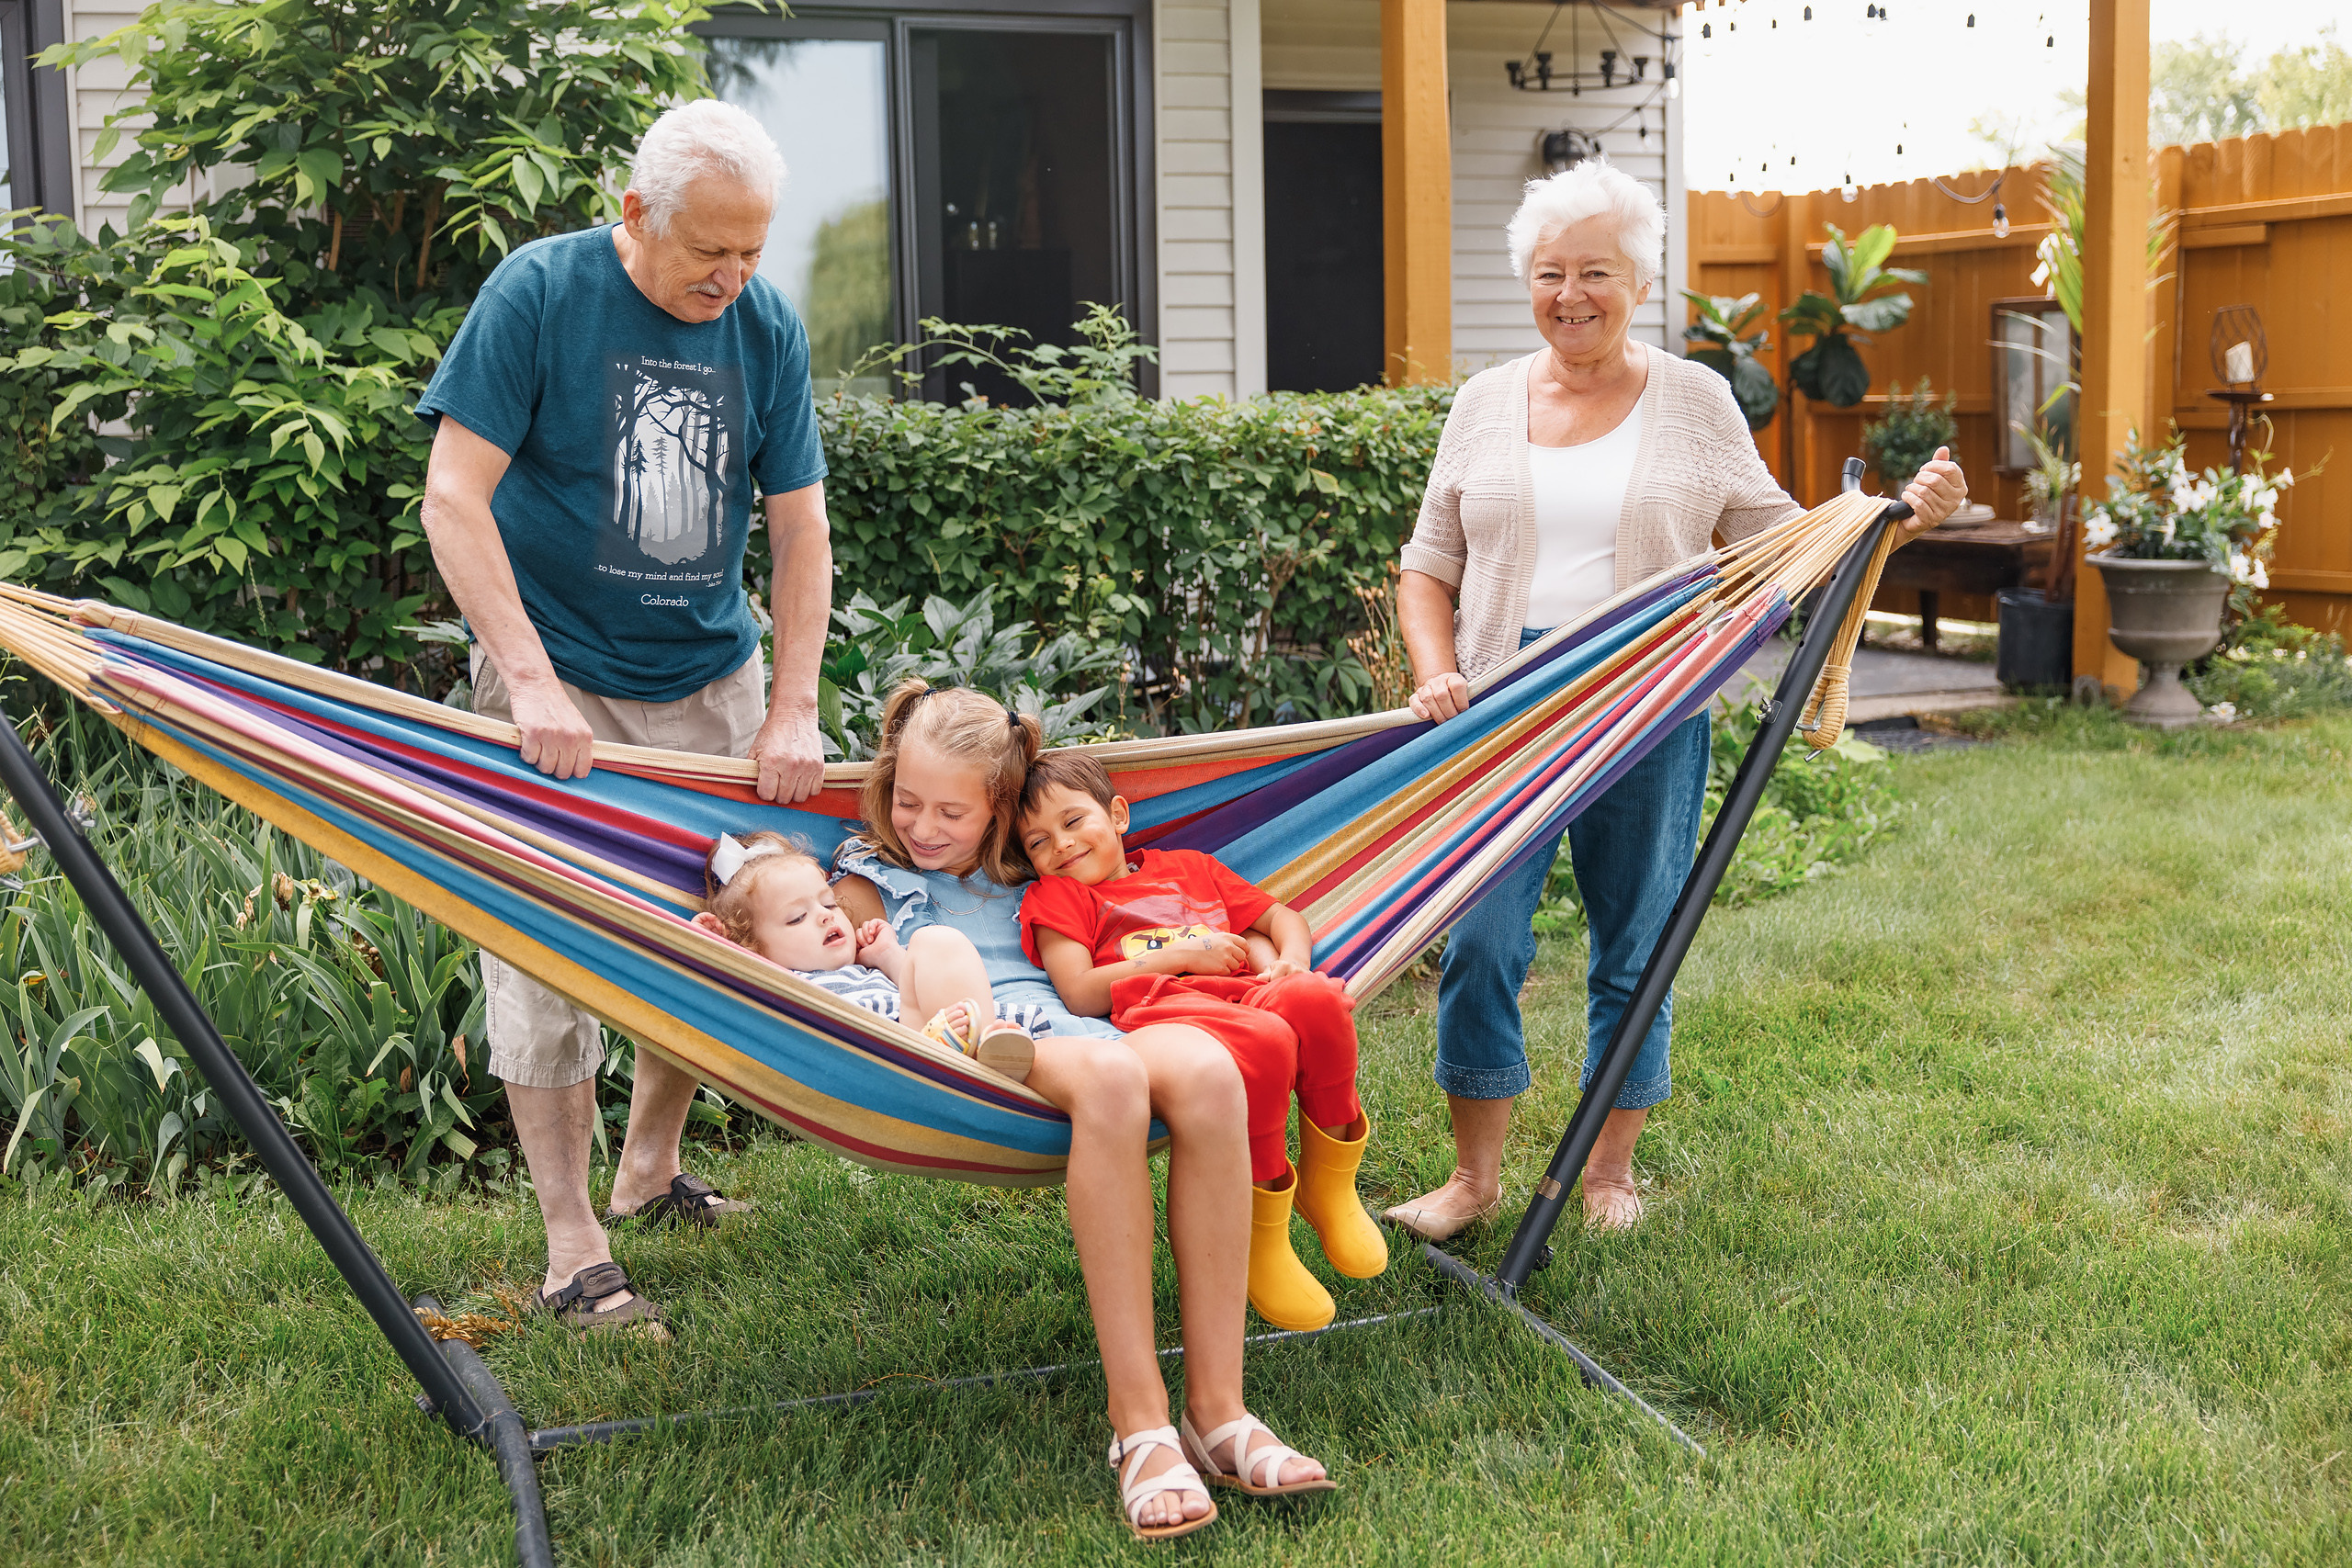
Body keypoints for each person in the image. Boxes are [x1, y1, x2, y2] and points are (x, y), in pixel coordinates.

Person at [1383, 158, 1969, 1240]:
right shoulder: (1481, 404)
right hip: (1500, 702)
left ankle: (1607, 1172)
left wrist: (1902, 514)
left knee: (1636, 938)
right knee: (1479, 940)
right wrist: (1434, 672)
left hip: (1647, 695)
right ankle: (1473, 1181)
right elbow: (1428, 568)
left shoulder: (1695, 400)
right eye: (1550, 272)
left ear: (1639, 283)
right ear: (1526, 282)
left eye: (1595, 272)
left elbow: (1786, 540)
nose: (1572, 294)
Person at [416, 99, 833, 1331]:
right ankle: (569, 1238)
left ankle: (647, 1167)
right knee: (546, 956)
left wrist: (794, 703)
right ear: (635, 212)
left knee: (710, 939)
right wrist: (530, 678)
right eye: (711, 247)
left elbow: (800, 523)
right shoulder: (539, 295)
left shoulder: (763, 323)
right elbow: (453, 495)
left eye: (753, 249)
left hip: (711, 678)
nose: (734, 275)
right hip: (561, 686)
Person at [831, 681, 1334, 1540]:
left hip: (1086, 1018)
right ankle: (1139, 1424)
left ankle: (1216, 1411)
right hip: (979, 1042)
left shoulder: (1038, 859)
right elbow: (825, 960)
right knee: (1110, 1082)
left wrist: (1245, 948)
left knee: (1211, 1071)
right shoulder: (868, 877)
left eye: (951, 810)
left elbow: (1154, 893)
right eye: (906, 800)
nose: (921, 826)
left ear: (999, 808)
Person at [1014, 750, 1386, 1334]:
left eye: (1071, 821)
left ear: (1117, 814)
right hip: (1168, 1009)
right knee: (1265, 1039)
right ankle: (1262, 1227)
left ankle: (1328, 1185)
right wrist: (1181, 954)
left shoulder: (1191, 866)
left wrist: (1290, 964)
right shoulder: (1059, 898)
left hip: (1243, 989)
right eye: (1036, 842)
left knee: (1317, 1001)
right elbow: (1081, 992)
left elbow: (1281, 919)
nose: (1058, 846)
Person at [689, 830, 1039, 1082]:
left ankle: (986, 1045)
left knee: (936, 940)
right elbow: (725, 975)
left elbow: (919, 993)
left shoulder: (866, 969)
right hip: (891, 1064)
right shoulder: (780, 981)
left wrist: (887, 956)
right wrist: (718, 946)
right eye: (797, 918)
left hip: (928, 1036)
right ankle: (971, 1057)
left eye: (828, 903)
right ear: (751, 947)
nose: (826, 915)